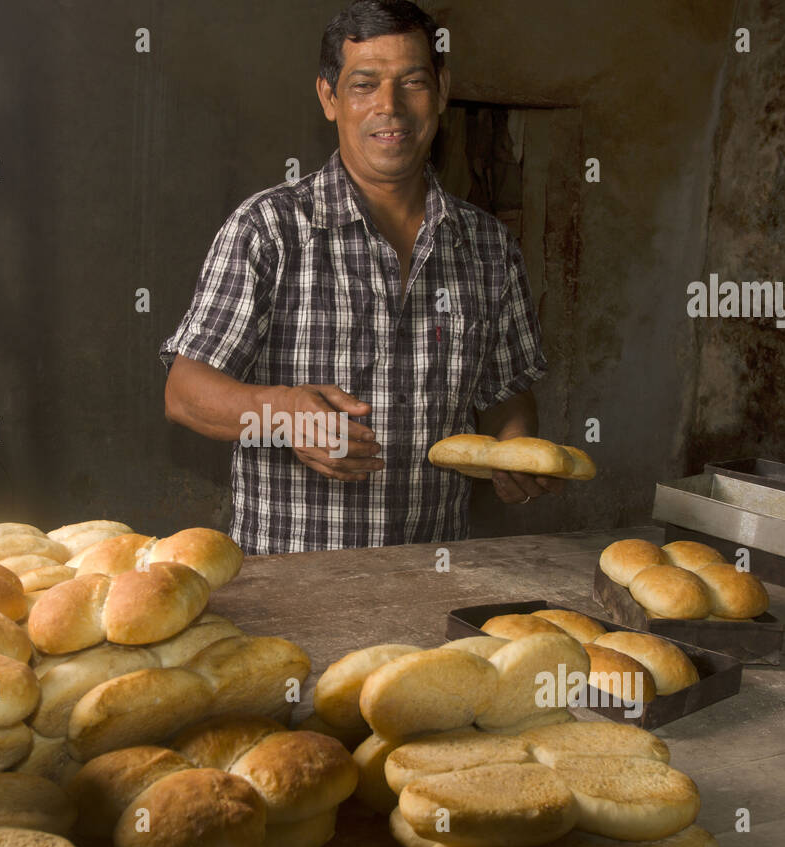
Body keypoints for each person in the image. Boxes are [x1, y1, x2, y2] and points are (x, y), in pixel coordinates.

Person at [161, 0, 558, 555]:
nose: (389, 107)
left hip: (433, 572)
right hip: (292, 580)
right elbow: (184, 393)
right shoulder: (269, 228)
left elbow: (507, 394)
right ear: (330, 97)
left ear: (441, 91)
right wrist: (284, 416)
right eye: (364, 84)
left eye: (413, 82)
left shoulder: (488, 246)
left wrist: (514, 450)